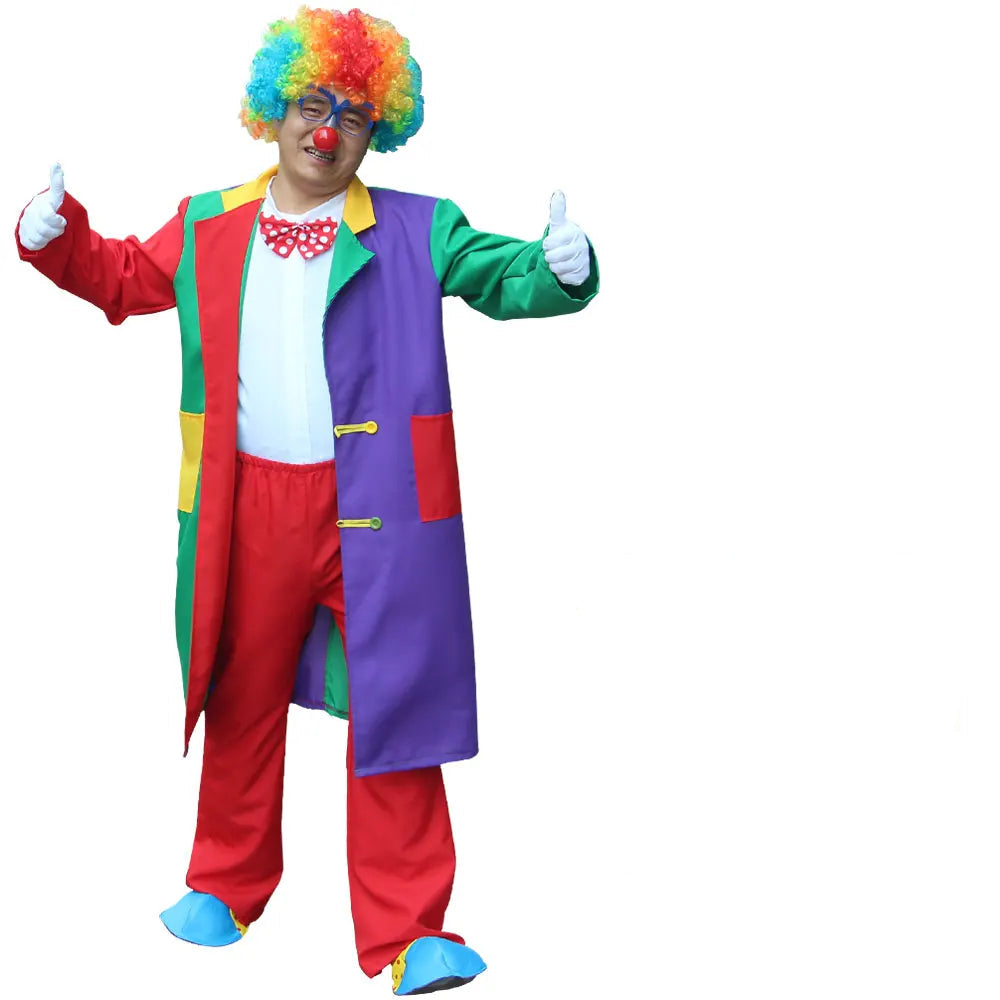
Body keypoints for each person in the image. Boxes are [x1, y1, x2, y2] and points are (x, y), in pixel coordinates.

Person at [14, 6, 599, 995]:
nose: (327, 132)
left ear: (381, 130)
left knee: (397, 704)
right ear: (273, 110)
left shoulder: (418, 226)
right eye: (311, 106)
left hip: (384, 510)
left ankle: (411, 930)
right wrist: (58, 238)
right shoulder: (208, 221)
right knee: (240, 693)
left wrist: (554, 269)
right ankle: (225, 883)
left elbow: (497, 273)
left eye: (354, 115)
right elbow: (123, 276)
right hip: (248, 507)